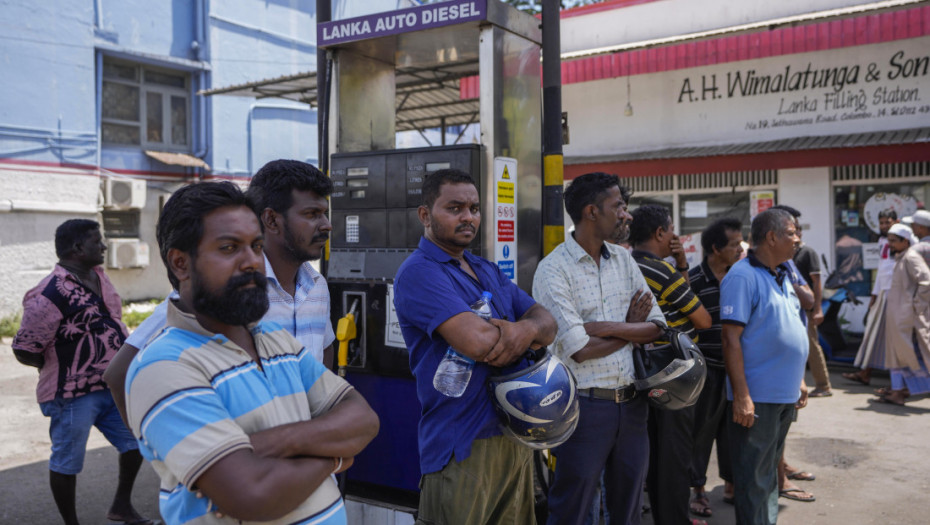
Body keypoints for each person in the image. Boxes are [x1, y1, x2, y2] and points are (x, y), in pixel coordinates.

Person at [124, 181, 379, 524]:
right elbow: (253, 496)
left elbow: (363, 420)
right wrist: (332, 459)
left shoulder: (275, 339)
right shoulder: (164, 366)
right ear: (181, 263)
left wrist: (273, 442)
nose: (252, 262)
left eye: (256, 246)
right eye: (229, 248)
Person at [104, 159, 337, 425]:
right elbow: (120, 372)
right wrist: (163, 445)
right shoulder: (230, 289)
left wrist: (324, 420)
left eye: (325, 213)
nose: (326, 224)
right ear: (272, 219)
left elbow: (324, 350)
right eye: (312, 214)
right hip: (242, 458)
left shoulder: (317, 286)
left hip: (313, 449)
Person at [392, 168, 557, 525]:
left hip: (513, 435)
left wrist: (521, 329)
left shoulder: (486, 270)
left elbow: (549, 323)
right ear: (425, 215)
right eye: (454, 208)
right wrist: (527, 332)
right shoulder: (419, 272)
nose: (468, 217)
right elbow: (477, 342)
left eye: (474, 208)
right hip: (461, 444)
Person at [532, 172, 664, 525]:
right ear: (592, 211)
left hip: (632, 406)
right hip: (583, 410)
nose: (627, 214)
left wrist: (605, 327)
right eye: (618, 206)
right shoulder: (553, 270)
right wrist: (629, 329)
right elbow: (580, 349)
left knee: (629, 510)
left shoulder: (624, 261)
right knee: (571, 510)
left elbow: (656, 327)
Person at [11, 219, 151, 525]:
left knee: (135, 443)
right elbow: (24, 348)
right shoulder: (50, 293)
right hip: (70, 395)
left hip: (110, 387)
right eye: (96, 241)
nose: (103, 246)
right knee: (67, 461)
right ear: (77, 248)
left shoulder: (99, 277)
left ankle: (121, 507)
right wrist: (60, 367)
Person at [721, 208, 810, 525]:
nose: (797, 238)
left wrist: (798, 378)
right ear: (771, 237)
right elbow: (731, 340)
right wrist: (742, 396)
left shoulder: (783, 272)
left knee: (769, 474)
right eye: (791, 232)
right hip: (758, 399)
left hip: (783, 394)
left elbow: (788, 329)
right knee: (754, 480)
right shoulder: (742, 276)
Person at [627, 204, 712, 525]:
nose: (675, 235)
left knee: (651, 455)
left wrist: (680, 264)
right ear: (660, 233)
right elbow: (702, 318)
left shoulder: (625, 264)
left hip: (638, 373)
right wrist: (678, 265)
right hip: (673, 378)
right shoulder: (660, 271)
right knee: (673, 459)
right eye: (671, 229)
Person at [688, 217, 743, 518]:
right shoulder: (694, 280)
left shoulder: (742, 276)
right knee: (702, 431)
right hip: (707, 368)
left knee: (734, 430)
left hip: (738, 368)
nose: (739, 248)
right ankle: (698, 489)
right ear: (715, 248)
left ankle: (731, 483)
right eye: (734, 244)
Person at [772, 205, 832, 397]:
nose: (794, 236)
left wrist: (817, 309)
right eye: (790, 231)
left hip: (805, 310)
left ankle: (823, 385)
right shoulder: (779, 255)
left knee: (811, 346)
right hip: (788, 309)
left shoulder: (807, 253)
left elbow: (816, 283)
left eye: (795, 230)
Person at [874, 223, 930, 405]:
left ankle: (901, 391)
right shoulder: (901, 256)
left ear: (905, 241)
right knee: (896, 356)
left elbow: (926, 281)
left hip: (905, 317)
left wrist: (916, 306)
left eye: (893, 241)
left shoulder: (911, 257)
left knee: (912, 356)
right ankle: (897, 391)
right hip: (897, 316)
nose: (889, 244)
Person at [844, 209, 898, 385]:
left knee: (893, 338)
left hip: (896, 295)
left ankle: (898, 385)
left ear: (895, 222)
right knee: (874, 334)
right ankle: (865, 373)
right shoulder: (883, 241)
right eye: (881, 222)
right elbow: (882, 270)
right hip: (883, 294)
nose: (883, 226)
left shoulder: (903, 242)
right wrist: (874, 295)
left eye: (887, 222)